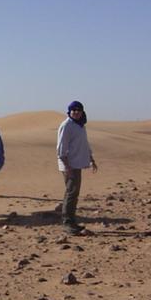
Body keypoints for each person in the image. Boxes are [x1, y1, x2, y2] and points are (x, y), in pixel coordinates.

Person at [56, 100, 96, 234]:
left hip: (77, 163)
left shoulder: (80, 125)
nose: (76, 112)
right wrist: (67, 167)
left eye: (78, 110)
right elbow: (61, 149)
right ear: (69, 111)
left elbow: (84, 143)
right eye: (73, 110)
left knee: (74, 193)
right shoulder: (67, 125)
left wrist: (91, 159)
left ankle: (72, 221)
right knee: (71, 193)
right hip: (69, 165)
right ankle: (67, 223)